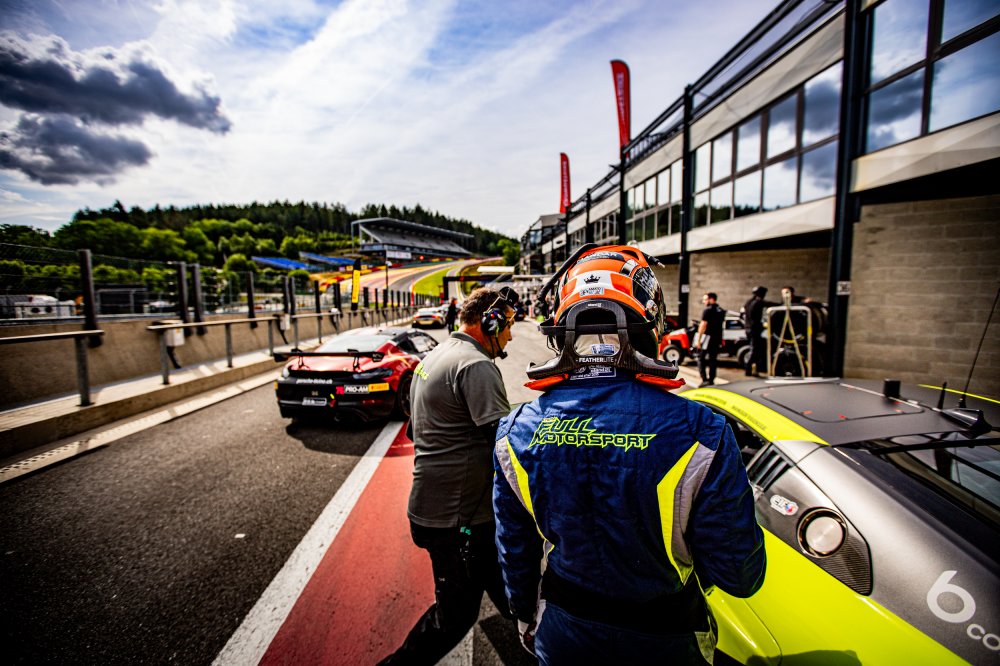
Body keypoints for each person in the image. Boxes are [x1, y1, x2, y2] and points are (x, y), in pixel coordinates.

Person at [493, 244, 766, 665]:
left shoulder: (515, 431)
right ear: (651, 321)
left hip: (563, 635)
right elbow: (740, 576)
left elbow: (516, 551)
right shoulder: (703, 430)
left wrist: (524, 613)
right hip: (666, 639)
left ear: (562, 326)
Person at [378, 286, 518, 666]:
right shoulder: (476, 365)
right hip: (458, 521)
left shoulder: (433, 357)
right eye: (507, 326)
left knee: (511, 590)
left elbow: (418, 430)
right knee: (454, 617)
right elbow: (505, 446)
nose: (510, 336)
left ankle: (541, 641)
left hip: (445, 512)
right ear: (490, 322)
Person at [693, 292, 725, 386]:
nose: (704, 302)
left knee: (701, 358)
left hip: (707, 338)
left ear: (711, 299)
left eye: (705, 299)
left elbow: (703, 325)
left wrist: (698, 340)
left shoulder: (707, 310)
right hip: (717, 338)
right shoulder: (721, 310)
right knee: (713, 359)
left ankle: (704, 379)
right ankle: (711, 380)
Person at [742, 286, 768, 377]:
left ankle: (754, 369)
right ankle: (748, 369)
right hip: (755, 330)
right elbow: (771, 304)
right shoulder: (758, 302)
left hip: (748, 329)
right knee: (755, 350)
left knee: (755, 349)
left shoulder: (748, 302)